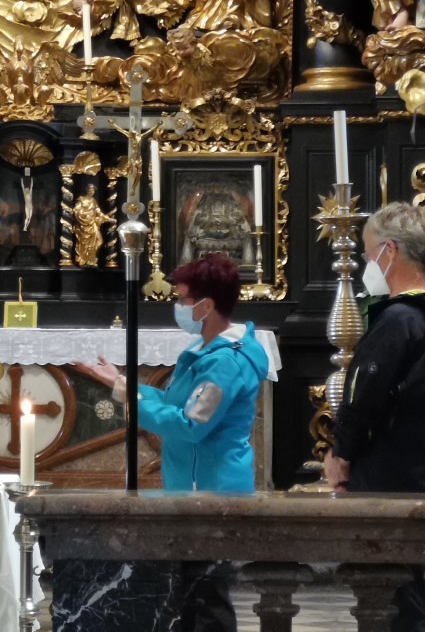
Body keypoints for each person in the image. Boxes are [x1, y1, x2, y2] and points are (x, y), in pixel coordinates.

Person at [74, 253, 269, 629]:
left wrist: (131, 402)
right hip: (191, 486)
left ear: (205, 306)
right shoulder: (203, 353)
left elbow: (191, 424)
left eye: (183, 299)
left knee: (209, 601)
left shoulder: (227, 363)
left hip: (212, 490)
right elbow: (173, 403)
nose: (179, 307)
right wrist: (119, 383)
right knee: (188, 598)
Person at [324, 201, 425, 632]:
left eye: (369, 255)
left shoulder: (398, 320)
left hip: (392, 476)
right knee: (409, 596)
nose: (368, 265)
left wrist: (342, 455)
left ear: (390, 251)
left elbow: (363, 397)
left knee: (397, 604)